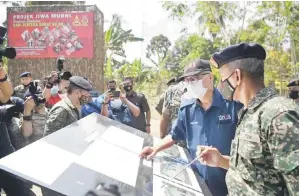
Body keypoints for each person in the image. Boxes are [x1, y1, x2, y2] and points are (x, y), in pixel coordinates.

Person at [198, 43, 299, 195]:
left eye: (223, 78)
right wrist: (220, 160)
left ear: (237, 76)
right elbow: (257, 169)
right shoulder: (250, 111)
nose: (220, 86)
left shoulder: (278, 115)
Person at [140, 59, 242, 196]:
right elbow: (175, 135)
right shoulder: (187, 108)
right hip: (198, 183)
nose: (189, 83)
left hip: (228, 185)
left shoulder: (233, 106)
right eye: (187, 80)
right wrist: (155, 148)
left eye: (194, 78)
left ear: (210, 77)